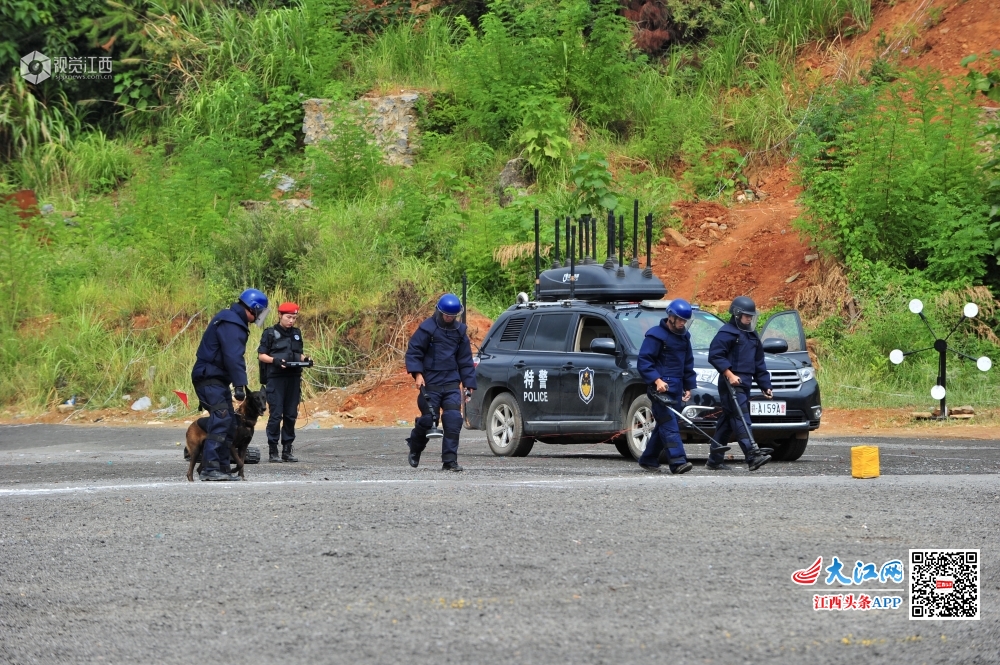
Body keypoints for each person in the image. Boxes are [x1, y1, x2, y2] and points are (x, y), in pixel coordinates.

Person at [191, 288, 269, 481]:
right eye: (260, 311)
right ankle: (210, 468)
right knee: (222, 418)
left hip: (214, 378)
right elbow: (233, 356)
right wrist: (240, 385)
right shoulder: (232, 323)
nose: (260, 316)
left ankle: (223, 467)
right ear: (254, 308)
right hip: (209, 378)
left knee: (230, 422)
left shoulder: (231, 319)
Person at [404, 293, 476, 472]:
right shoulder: (427, 329)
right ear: (439, 311)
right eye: (447, 315)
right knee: (429, 419)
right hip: (430, 383)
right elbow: (414, 352)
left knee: (453, 420)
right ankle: (415, 445)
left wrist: (468, 384)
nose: (450, 318)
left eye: (453, 316)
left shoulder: (460, 333)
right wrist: (417, 374)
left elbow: (465, 360)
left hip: (451, 382)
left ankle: (450, 461)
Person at [706, 296, 773, 471]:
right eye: (746, 316)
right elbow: (715, 355)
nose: (749, 319)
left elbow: (759, 363)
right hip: (731, 383)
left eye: (751, 316)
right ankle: (752, 455)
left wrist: (765, 385)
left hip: (746, 382)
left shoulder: (752, 335)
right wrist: (729, 374)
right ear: (736, 315)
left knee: (728, 421)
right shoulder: (726, 333)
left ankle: (714, 459)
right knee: (741, 417)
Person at [635, 299, 696, 474]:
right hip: (660, 389)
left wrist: (688, 386)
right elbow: (644, 361)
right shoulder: (655, 335)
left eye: (685, 320)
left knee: (665, 425)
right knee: (669, 424)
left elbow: (687, 363)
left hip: (677, 387)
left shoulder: (684, 337)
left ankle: (648, 458)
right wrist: (657, 380)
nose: (683, 324)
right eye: (680, 320)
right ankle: (678, 462)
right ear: (671, 317)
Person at [258, 302, 310, 463]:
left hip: (293, 378)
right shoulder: (270, 333)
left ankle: (287, 449)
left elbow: (298, 354)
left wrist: (306, 360)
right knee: (276, 415)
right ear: (280, 315)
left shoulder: (296, 333)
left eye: (294, 318)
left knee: (290, 415)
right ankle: (273, 450)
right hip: (276, 379)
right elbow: (262, 355)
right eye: (288, 317)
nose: (291, 321)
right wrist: (275, 360)